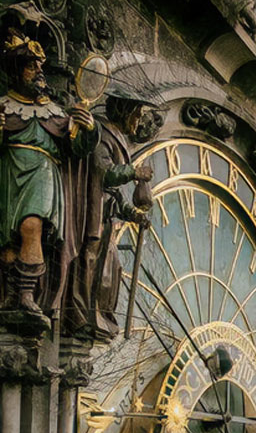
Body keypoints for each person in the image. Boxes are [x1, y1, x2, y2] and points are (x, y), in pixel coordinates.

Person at [0, 29, 96, 321]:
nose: (39, 73)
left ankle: (28, 295)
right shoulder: (4, 106)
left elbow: (78, 148)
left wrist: (88, 127)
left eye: (40, 67)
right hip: (9, 172)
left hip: (42, 173)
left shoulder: (54, 111)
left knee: (32, 228)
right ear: (17, 72)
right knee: (8, 243)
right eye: (31, 66)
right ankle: (10, 296)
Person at [63, 85, 154, 340]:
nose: (138, 121)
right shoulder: (101, 132)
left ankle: (99, 316)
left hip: (105, 212)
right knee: (88, 261)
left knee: (111, 267)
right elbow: (103, 173)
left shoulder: (115, 136)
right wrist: (134, 173)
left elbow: (114, 193)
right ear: (125, 111)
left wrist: (132, 214)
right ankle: (79, 315)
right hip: (91, 210)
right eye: (136, 114)